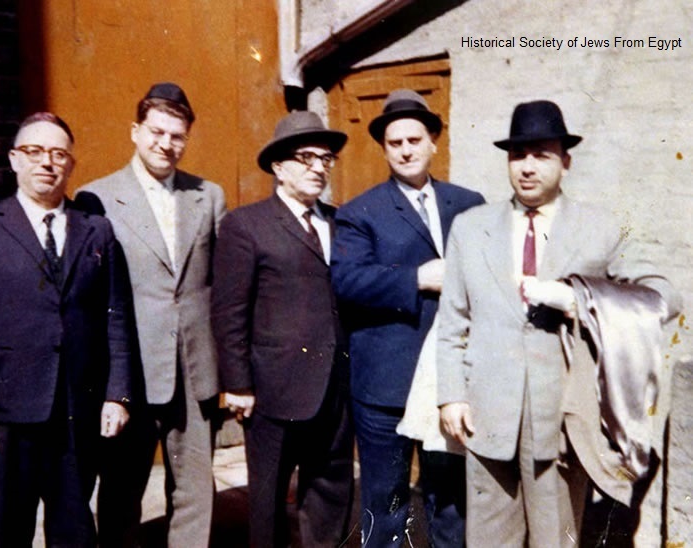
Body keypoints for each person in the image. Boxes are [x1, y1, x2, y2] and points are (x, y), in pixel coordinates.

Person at [437, 100, 682, 546]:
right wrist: (451, 394)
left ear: (565, 161)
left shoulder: (602, 227)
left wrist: (579, 299)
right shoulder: (471, 228)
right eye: (518, 155)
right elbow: (453, 321)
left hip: (563, 425)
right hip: (486, 417)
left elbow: (663, 297)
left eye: (541, 154)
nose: (527, 167)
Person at [0, 112, 132, 547]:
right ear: (14, 159)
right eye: (34, 152)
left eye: (58, 153)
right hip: (6, 417)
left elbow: (115, 316)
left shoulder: (97, 231)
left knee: (75, 533)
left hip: (75, 414)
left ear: (70, 164)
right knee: (8, 533)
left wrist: (116, 395)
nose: (46, 162)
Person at [331, 89, 485, 547]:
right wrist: (418, 278)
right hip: (387, 385)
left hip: (451, 383)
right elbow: (348, 281)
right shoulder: (361, 212)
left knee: (450, 504)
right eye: (395, 143)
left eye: (415, 140)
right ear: (384, 148)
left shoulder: (469, 203)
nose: (406, 150)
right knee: (387, 505)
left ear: (434, 141)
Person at [74, 82, 226, 546]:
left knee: (196, 490)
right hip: (131, 373)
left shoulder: (208, 195)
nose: (166, 144)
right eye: (157, 132)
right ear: (135, 132)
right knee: (122, 490)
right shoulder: (95, 198)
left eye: (177, 136)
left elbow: (220, 283)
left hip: (196, 369)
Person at [211, 111, 355, 547]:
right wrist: (237, 383)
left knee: (331, 493)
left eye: (326, 159)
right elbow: (229, 310)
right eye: (306, 157)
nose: (318, 168)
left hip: (334, 389)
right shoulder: (246, 225)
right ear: (278, 166)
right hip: (274, 390)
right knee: (269, 500)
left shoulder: (341, 222)